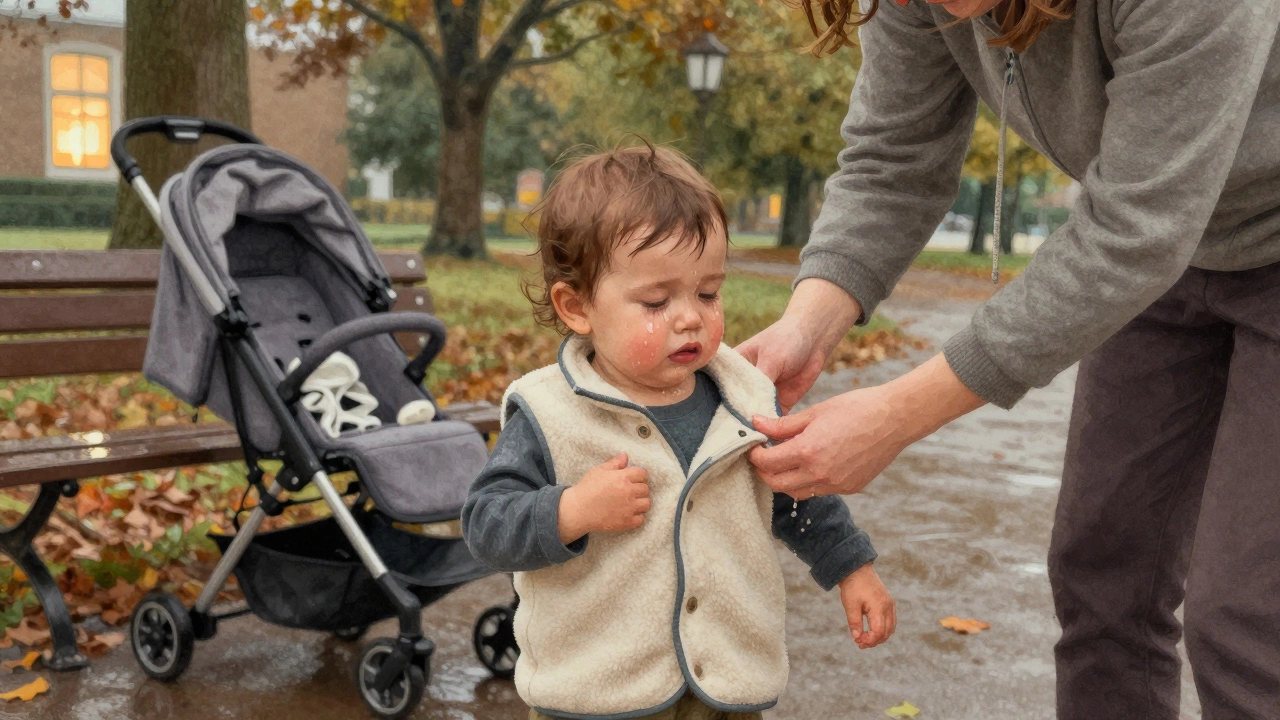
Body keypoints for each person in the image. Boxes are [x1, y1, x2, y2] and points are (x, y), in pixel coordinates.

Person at [737, 1, 1280, 718]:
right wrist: (808, 322)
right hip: (1163, 260)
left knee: (1246, 610)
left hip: (1184, 230)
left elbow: (1135, 234)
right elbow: (893, 160)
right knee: (1104, 576)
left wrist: (896, 416)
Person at [461, 144, 894, 720]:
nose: (690, 316)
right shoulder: (549, 413)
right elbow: (486, 523)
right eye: (657, 300)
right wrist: (572, 511)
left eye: (708, 293)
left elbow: (796, 493)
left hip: (725, 686)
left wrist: (851, 567)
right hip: (597, 692)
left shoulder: (742, 398)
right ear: (577, 306)